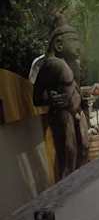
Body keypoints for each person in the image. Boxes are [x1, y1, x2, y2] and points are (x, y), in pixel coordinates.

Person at [33, 15, 89, 181]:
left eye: (78, 41)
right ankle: (67, 188)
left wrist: (84, 103)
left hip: (78, 112)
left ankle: (82, 183)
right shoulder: (52, 64)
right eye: (73, 40)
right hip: (63, 114)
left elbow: (75, 89)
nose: (78, 46)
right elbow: (37, 97)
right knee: (69, 152)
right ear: (59, 44)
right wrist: (51, 99)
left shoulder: (75, 64)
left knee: (84, 148)